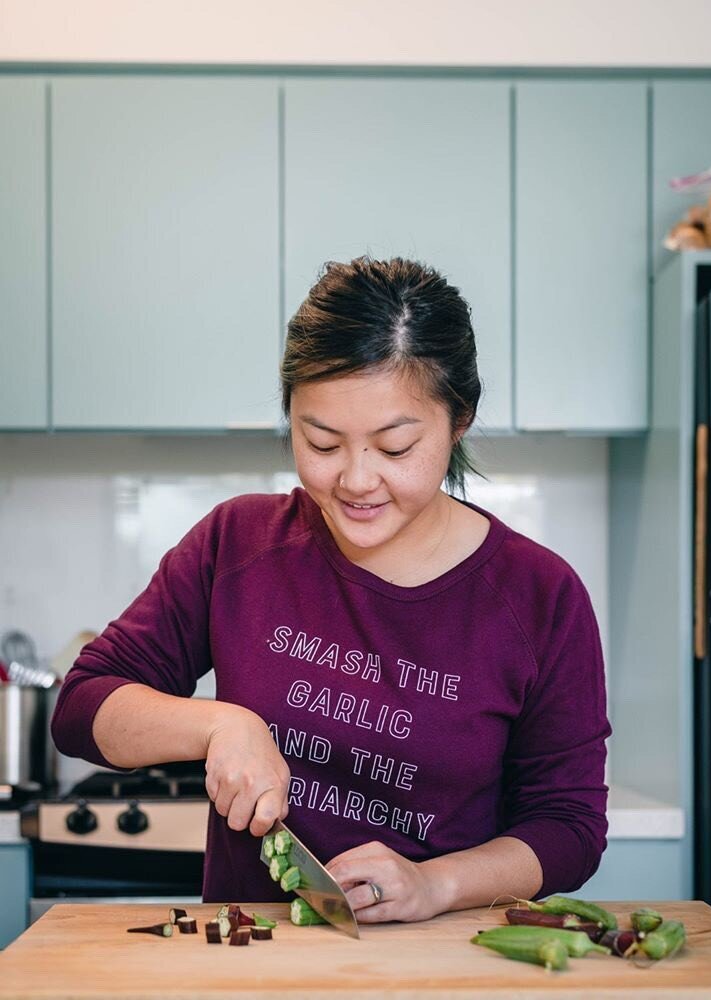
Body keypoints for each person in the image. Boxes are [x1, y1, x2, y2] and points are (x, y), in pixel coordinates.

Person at [51, 256, 611, 923]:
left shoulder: (539, 596)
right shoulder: (238, 543)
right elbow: (82, 708)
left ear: (459, 419)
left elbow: (569, 827)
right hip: (254, 957)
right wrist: (221, 723)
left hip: (442, 967)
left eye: (395, 447)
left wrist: (434, 884)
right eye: (321, 441)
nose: (356, 479)